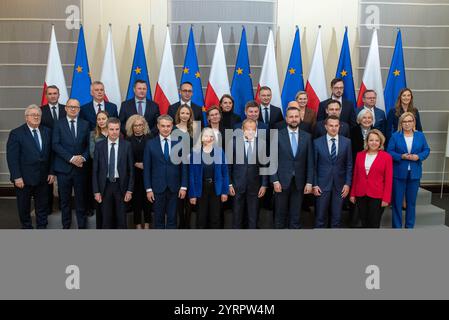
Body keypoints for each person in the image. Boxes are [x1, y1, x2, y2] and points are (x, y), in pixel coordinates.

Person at [6, 105, 55, 229]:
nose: (36, 117)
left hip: (43, 177)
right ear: (26, 117)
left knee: (42, 206)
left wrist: (51, 172)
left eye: (38, 115)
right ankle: (27, 227)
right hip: (23, 179)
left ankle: (42, 227)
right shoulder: (16, 133)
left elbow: (51, 154)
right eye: (33, 115)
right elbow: (12, 158)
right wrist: (17, 177)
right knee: (24, 206)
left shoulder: (47, 131)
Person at [271, 107, 314, 229]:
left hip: (299, 183)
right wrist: (275, 180)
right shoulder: (277, 136)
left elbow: (310, 161)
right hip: (281, 182)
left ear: (300, 117)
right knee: (280, 215)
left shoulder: (307, 137)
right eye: (291, 117)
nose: (294, 119)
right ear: (286, 118)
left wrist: (309, 182)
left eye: (296, 116)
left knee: (296, 215)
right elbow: (272, 160)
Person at [144, 115, 188, 229]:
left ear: (172, 126)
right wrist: (148, 189)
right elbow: (147, 169)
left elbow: (184, 166)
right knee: (158, 220)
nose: (165, 128)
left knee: (172, 219)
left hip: (175, 188)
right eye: (163, 126)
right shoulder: (150, 144)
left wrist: (183, 186)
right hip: (157, 188)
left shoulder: (179, 143)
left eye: (168, 126)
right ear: (158, 126)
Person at [387, 112, 430, 229]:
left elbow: (426, 150)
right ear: (401, 123)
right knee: (397, 203)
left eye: (409, 121)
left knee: (411, 203)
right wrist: (401, 156)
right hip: (399, 174)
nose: (407, 124)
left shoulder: (420, 135)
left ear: (414, 122)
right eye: (404, 122)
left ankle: (409, 227)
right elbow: (389, 151)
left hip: (414, 174)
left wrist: (419, 156)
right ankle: (397, 227)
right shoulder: (395, 136)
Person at [52, 99, 90, 229]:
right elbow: (55, 145)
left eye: (76, 107)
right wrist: (72, 158)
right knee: (65, 201)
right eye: (71, 106)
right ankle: (66, 226)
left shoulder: (85, 124)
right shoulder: (58, 124)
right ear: (66, 108)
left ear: (79, 110)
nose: (73, 109)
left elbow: (88, 146)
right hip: (64, 169)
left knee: (81, 200)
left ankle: (82, 227)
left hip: (80, 169)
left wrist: (83, 158)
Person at [93, 118, 134, 229]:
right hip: (105, 186)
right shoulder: (99, 146)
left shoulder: (127, 145)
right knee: (106, 219)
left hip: (121, 186)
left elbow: (131, 170)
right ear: (107, 129)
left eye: (117, 129)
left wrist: (129, 190)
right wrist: (96, 191)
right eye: (111, 129)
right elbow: (95, 171)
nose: (114, 132)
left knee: (121, 219)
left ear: (120, 129)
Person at [313, 115, 353, 228]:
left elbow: (349, 164)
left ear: (339, 126)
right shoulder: (317, 142)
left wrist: (347, 184)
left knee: (337, 218)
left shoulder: (347, 142)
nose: (334, 128)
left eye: (336, 126)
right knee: (320, 217)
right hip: (321, 185)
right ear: (326, 126)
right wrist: (315, 184)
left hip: (340, 186)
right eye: (331, 126)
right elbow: (313, 165)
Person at [229, 119, 268, 229]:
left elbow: (264, 166)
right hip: (237, 185)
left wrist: (264, 185)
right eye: (247, 129)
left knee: (253, 216)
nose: (250, 132)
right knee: (237, 216)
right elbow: (228, 166)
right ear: (242, 129)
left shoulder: (261, 143)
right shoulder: (233, 142)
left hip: (255, 186)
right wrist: (229, 184)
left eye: (253, 130)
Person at [350, 129, 393, 228]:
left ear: (380, 142)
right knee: (364, 222)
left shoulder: (387, 157)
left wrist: (386, 198)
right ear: (367, 141)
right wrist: (352, 194)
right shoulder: (359, 155)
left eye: (377, 140)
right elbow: (355, 176)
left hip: (377, 195)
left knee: (374, 223)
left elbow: (388, 180)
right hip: (361, 194)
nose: (374, 143)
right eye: (371, 140)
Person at [189, 128, 229, 229]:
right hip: (201, 188)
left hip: (216, 189)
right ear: (201, 138)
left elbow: (225, 172)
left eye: (211, 136)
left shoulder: (219, 152)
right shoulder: (196, 152)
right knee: (201, 218)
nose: (209, 138)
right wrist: (192, 194)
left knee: (215, 218)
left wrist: (225, 191)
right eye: (206, 136)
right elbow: (192, 174)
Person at [40, 85, 66, 213]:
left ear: (59, 95)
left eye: (55, 93)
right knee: (48, 181)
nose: (52, 96)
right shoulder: (40, 111)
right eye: (50, 93)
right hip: (46, 150)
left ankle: (63, 205)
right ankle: (48, 207)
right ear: (46, 96)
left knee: (63, 179)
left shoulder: (65, 109)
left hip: (63, 149)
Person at [125, 115, 153, 229]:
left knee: (148, 200)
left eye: (140, 125)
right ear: (131, 127)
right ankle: (137, 225)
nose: (138, 127)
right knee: (136, 200)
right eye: (135, 125)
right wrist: (135, 164)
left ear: (144, 125)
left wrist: (145, 164)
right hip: (134, 174)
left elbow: (153, 155)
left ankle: (147, 224)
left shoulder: (150, 138)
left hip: (148, 173)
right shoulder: (127, 139)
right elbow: (125, 158)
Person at [173, 105, 196, 228]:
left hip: (191, 168)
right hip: (177, 168)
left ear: (190, 115)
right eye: (182, 113)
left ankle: (187, 225)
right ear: (178, 114)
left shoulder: (195, 129)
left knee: (190, 199)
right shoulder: (172, 129)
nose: (185, 115)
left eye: (187, 113)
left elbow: (198, 149)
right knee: (179, 200)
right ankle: (181, 225)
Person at [89, 110, 109, 229]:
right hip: (100, 172)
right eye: (99, 119)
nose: (101, 121)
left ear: (108, 119)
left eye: (103, 119)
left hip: (114, 173)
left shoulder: (115, 132)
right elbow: (92, 153)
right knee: (100, 201)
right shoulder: (93, 134)